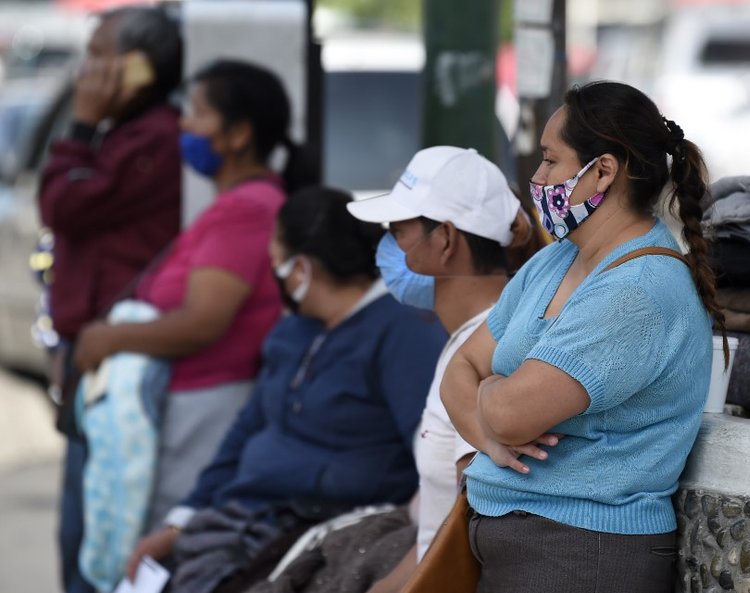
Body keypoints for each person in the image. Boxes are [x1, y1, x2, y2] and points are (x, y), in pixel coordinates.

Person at [441, 81, 729, 593]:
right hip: (520, 543)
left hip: (580, 553)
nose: (537, 176)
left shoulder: (637, 291)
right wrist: (489, 436)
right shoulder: (555, 260)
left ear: (603, 170)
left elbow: (510, 411)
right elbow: (459, 371)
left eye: (551, 161)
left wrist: (490, 396)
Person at [125, 186, 446, 593]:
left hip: (324, 531)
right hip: (244, 519)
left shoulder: (401, 333)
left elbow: (432, 457)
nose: (272, 268)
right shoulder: (292, 330)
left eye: (275, 258)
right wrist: (180, 521)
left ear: (302, 269)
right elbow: (245, 431)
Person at [73, 59, 312, 530]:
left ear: (238, 133)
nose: (184, 125)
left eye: (197, 113)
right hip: (193, 405)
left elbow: (203, 321)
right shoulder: (238, 204)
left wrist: (110, 339)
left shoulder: (245, 209)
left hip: (205, 409)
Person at [343, 146, 539, 593]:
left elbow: (464, 540)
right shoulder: (470, 341)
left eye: (398, 231)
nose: (388, 248)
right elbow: (435, 533)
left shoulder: (484, 357)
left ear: (446, 241)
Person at [36, 7, 182, 593]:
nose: (85, 73)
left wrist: (78, 126)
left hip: (117, 353)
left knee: (92, 528)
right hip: (87, 346)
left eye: (99, 56)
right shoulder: (119, 135)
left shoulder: (152, 140)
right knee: (79, 517)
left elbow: (63, 205)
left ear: (140, 67)